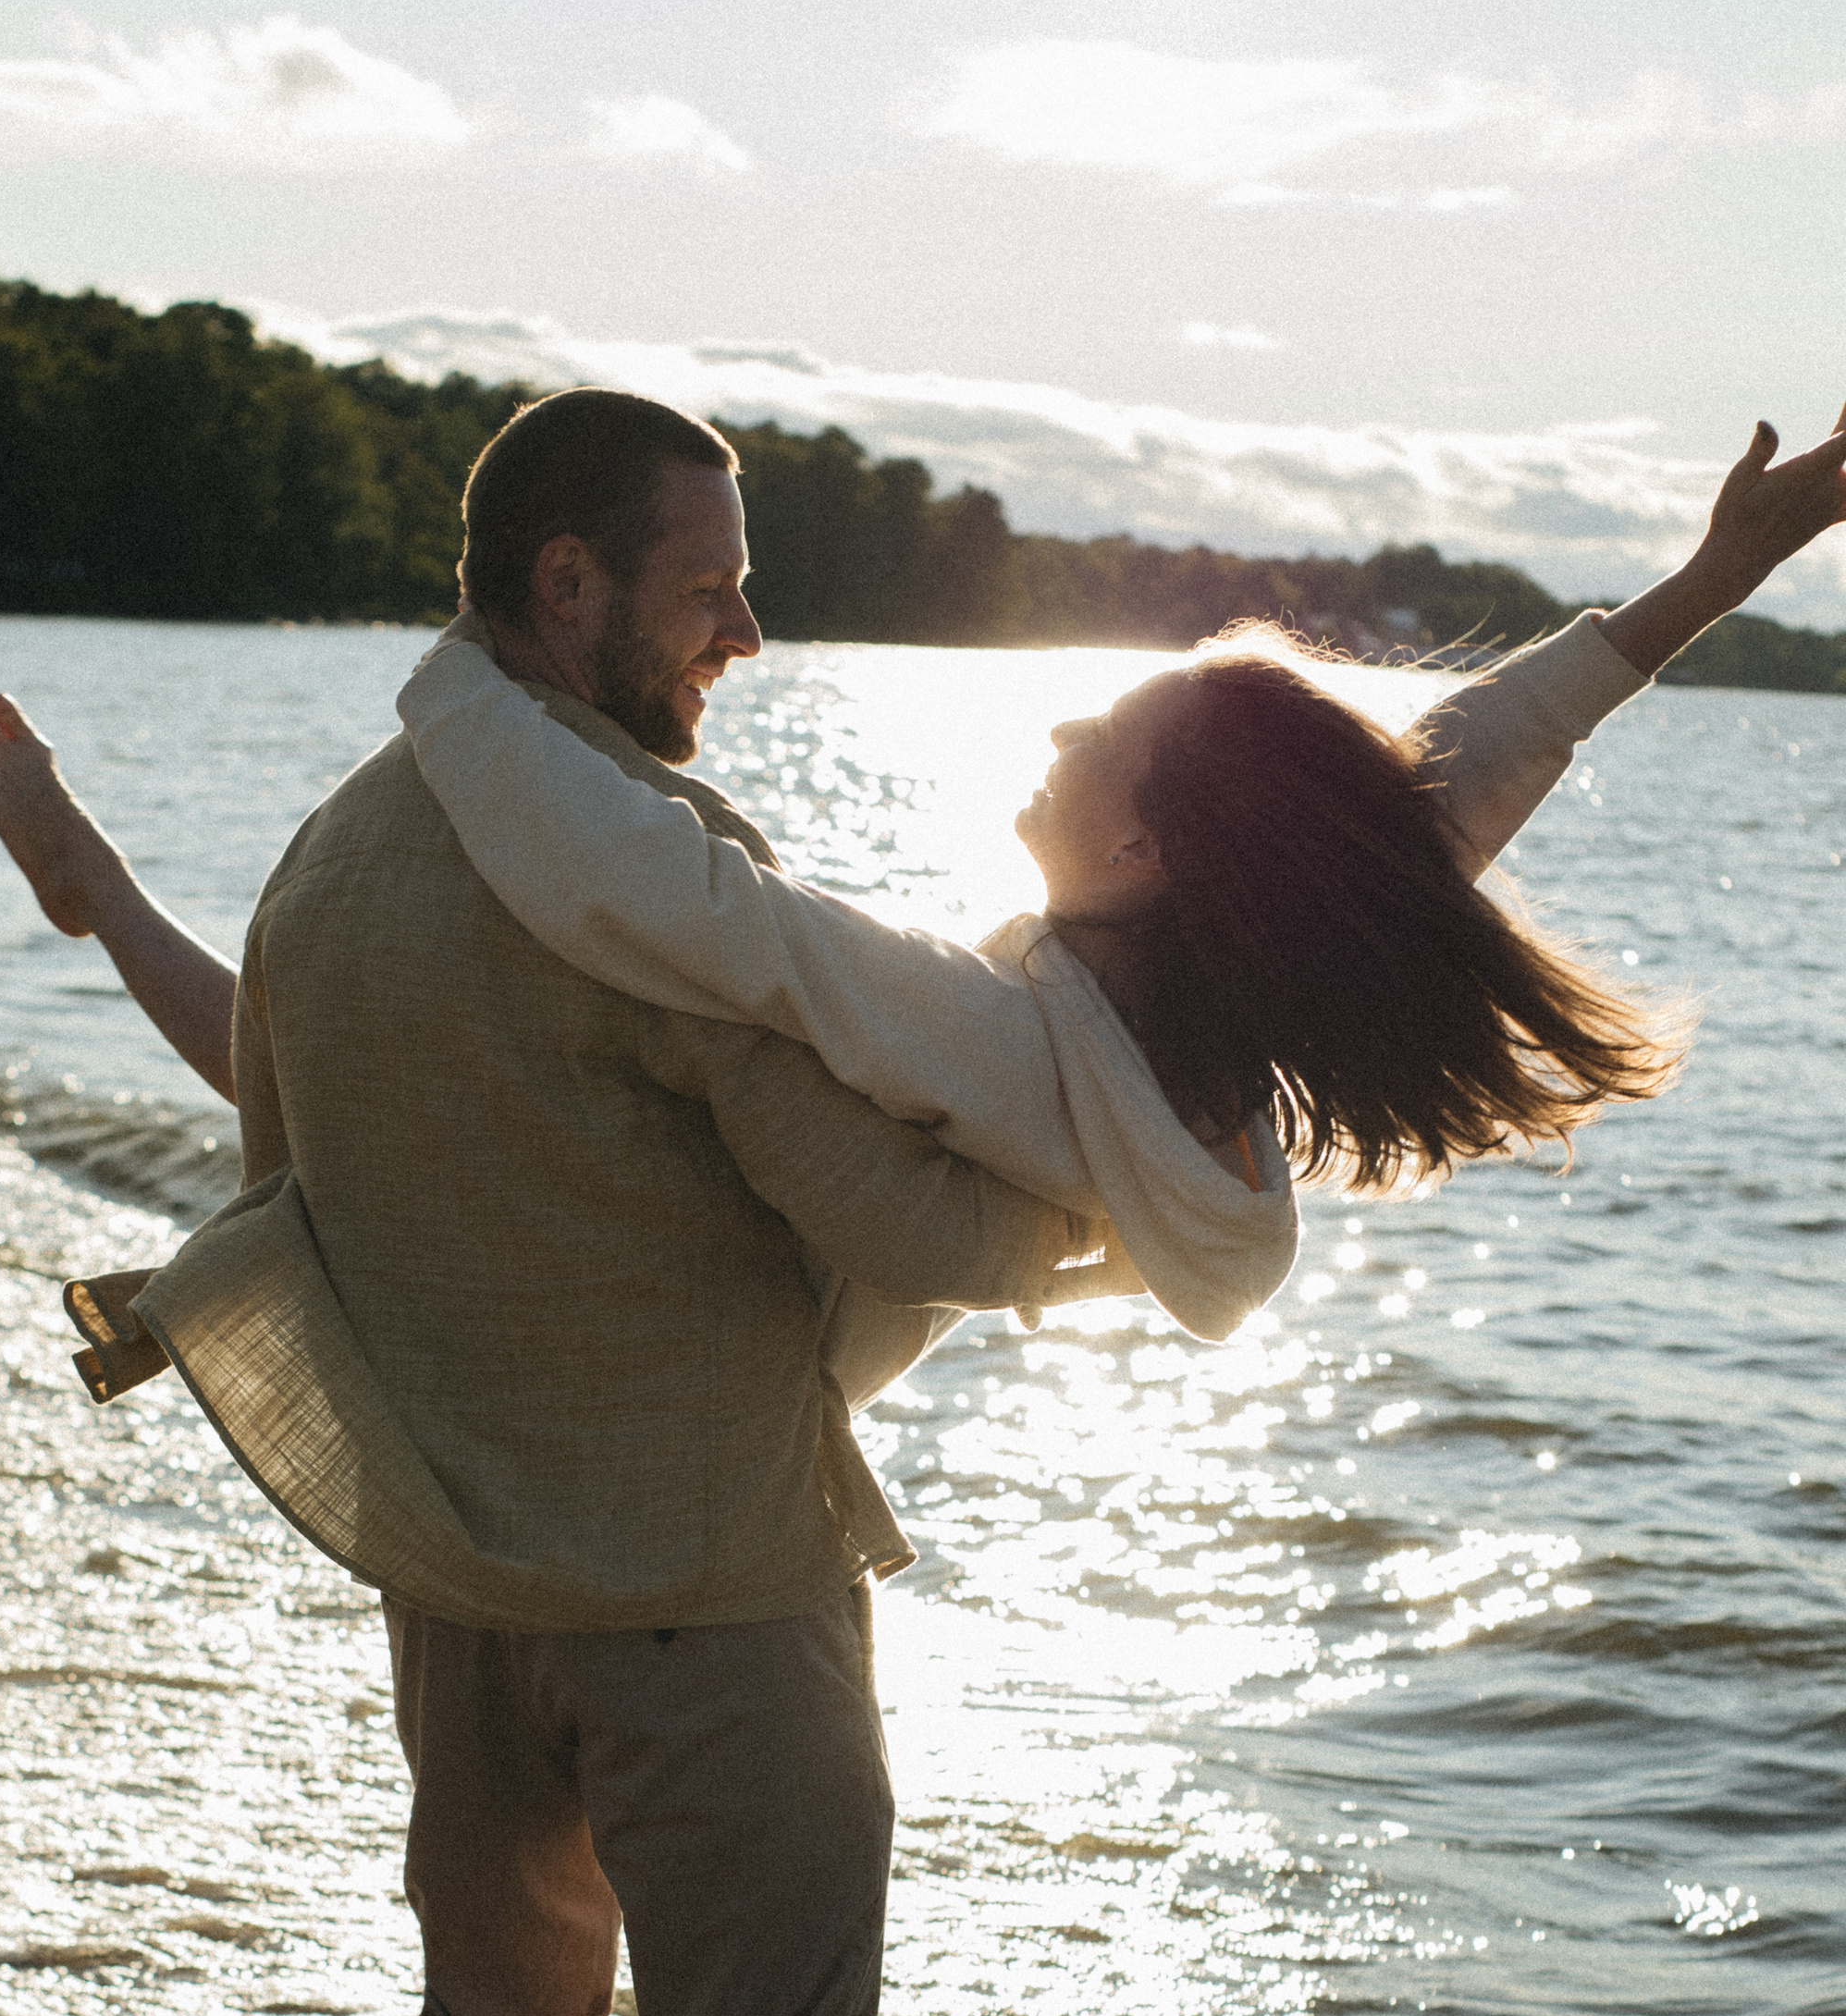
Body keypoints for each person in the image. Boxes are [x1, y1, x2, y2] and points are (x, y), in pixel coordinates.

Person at [0, 390, 1090, 2016]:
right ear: (563, 588)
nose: (747, 633)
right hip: (709, 1592)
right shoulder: (638, 866)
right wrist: (1137, 1189)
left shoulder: (339, 862)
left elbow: (262, 1104)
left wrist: (92, 901)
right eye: (709, 588)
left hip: (465, 1600)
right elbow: (867, 1200)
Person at [386, 408, 1846, 1350]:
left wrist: (461, 685)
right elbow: (1469, 766)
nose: (1063, 721)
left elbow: (680, 902)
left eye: (1104, 728)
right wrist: (1717, 574)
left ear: (1145, 849)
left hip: (685, 1443)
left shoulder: (1001, 1038)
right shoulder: (1225, 1006)